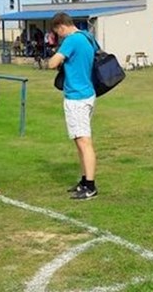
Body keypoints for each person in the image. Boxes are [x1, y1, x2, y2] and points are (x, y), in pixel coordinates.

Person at [47, 12, 98, 200]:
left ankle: (90, 186)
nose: (59, 36)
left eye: (57, 33)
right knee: (79, 140)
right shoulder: (88, 37)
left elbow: (52, 63)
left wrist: (56, 51)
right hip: (87, 93)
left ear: (61, 27)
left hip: (77, 96)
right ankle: (84, 180)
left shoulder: (71, 40)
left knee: (84, 142)